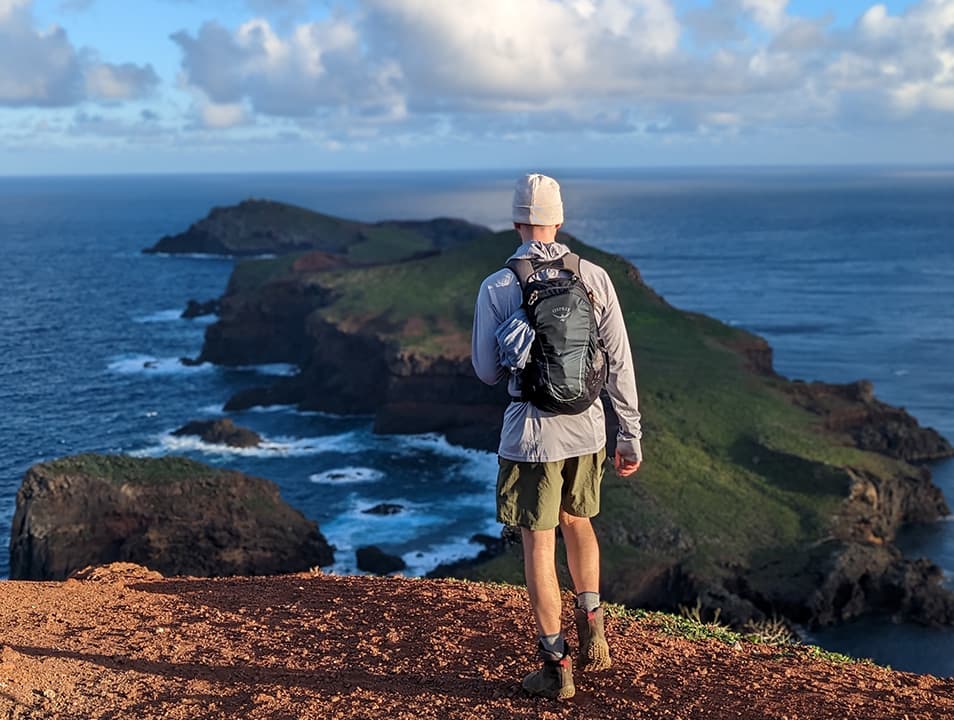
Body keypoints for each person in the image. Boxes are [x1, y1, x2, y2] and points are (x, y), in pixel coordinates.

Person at [471, 173, 643, 700]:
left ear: (517, 220)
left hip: (533, 439)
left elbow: (485, 372)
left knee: (539, 545)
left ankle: (555, 666)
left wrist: (512, 350)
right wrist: (629, 433)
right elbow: (619, 360)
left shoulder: (499, 286)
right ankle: (595, 632)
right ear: (559, 219)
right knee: (580, 524)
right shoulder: (593, 276)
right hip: (589, 431)